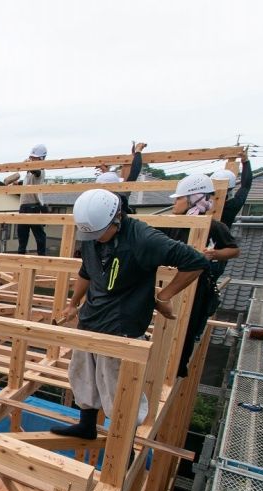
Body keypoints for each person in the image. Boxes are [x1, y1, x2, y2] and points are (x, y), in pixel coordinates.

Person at [50, 189, 208, 440]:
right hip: (91, 318)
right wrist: (73, 303)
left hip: (122, 325)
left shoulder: (143, 238)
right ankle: (86, 425)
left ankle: (123, 447)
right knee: (82, 373)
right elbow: (86, 271)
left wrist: (164, 296)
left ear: (117, 218)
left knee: (119, 386)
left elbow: (196, 262)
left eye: (100, 233)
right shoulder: (93, 231)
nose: (96, 239)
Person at [167, 174, 240, 377]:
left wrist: (214, 254)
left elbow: (233, 250)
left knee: (187, 328)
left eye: (179, 198)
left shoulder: (213, 227)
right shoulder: (173, 224)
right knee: (165, 325)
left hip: (196, 287)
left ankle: (176, 369)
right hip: (171, 283)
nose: (175, 202)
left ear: (194, 198)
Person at [5, 144, 49, 256]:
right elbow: (27, 182)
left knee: (39, 236)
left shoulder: (40, 171)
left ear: (41, 159)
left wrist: (28, 165)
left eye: (34, 158)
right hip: (24, 207)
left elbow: (36, 172)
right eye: (31, 157)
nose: (32, 159)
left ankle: (41, 259)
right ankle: (21, 259)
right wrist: (16, 183)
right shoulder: (29, 173)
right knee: (22, 236)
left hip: (34, 207)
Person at [94, 142, 147, 213]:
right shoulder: (120, 195)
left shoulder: (98, 200)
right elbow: (135, 171)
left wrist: (106, 173)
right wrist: (138, 151)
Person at [211, 151, 252, 227]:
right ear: (231, 188)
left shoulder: (204, 204)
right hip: (222, 237)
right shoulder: (233, 205)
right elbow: (245, 186)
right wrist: (245, 161)